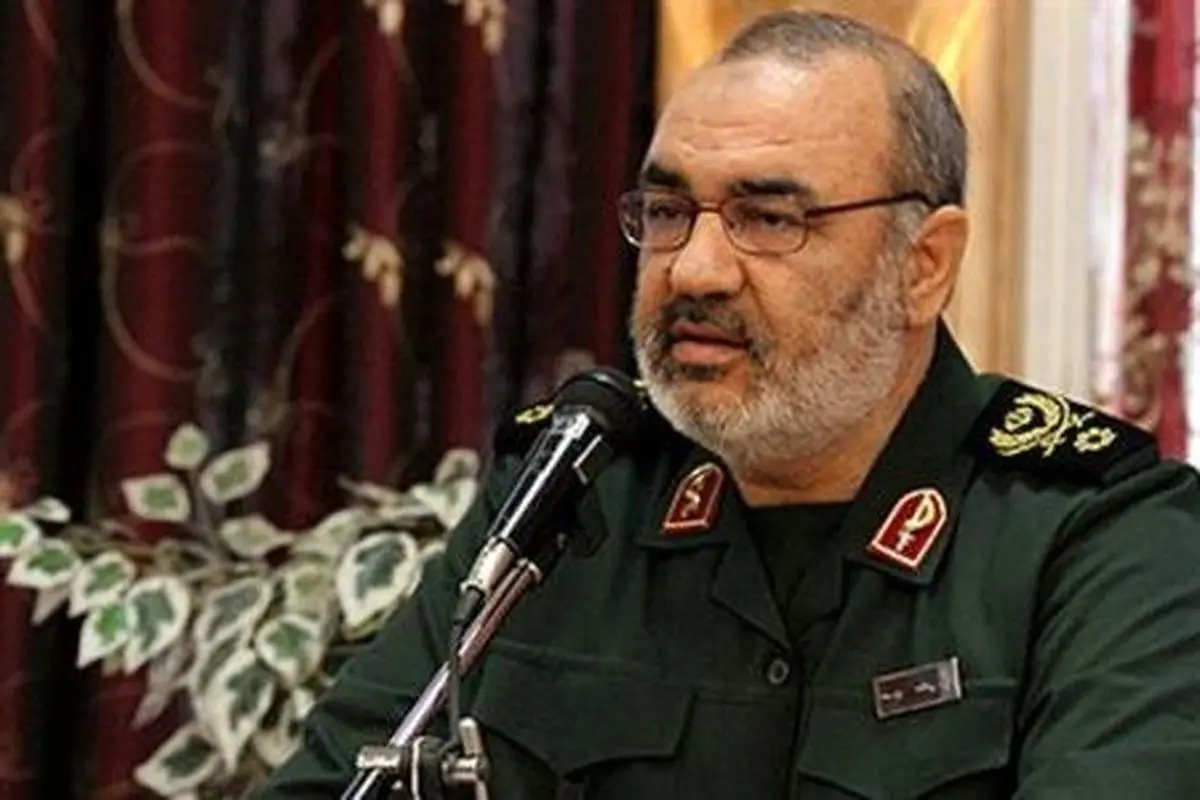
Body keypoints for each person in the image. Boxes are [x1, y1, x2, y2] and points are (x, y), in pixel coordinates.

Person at [258, 9, 1200, 799]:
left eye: (770, 218)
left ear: (923, 266)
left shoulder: (1101, 537)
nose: (695, 270)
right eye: (669, 213)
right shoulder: (572, 497)